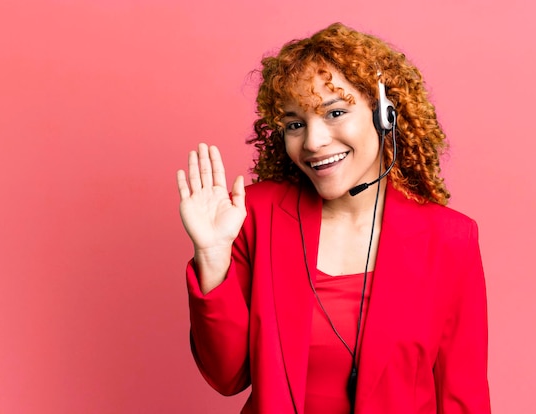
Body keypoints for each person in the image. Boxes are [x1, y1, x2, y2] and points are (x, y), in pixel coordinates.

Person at [176, 22, 490, 414]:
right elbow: (226, 377)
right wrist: (211, 257)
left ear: (384, 116)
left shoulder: (450, 238)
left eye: (335, 113)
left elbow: (464, 395)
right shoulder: (253, 215)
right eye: (295, 124)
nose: (312, 141)